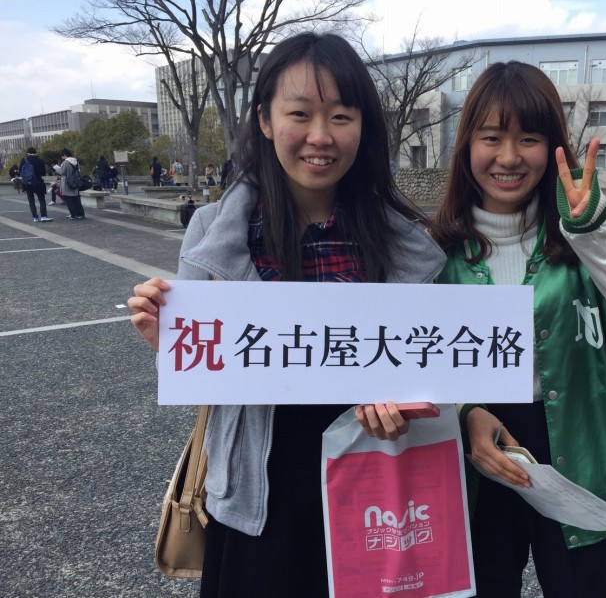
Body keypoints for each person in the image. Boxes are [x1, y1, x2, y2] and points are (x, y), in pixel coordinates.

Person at [126, 32, 445, 597]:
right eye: (300, 113)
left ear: (363, 127)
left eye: (341, 116)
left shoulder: (402, 243)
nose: (320, 136)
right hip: (257, 494)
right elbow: (201, 376)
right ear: (266, 120)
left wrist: (406, 402)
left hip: (372, 488)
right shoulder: (214, 232)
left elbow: (428, 369)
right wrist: (168, 342)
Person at [431, 61, 606, 598]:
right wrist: (463, 413)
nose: (508, 157)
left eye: (528, 139)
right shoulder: (434, 252)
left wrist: (599, 229)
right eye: (491, 138)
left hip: (580, 450)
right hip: (474, 453)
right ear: (466, 147)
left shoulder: (588, 239)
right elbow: (415, 363)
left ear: (553, 146)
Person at [19, 147, 53, 222]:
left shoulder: (24, 160)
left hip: (28, 183)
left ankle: (35, 217)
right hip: (38, 182)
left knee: (31, 201)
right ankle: (43, 216)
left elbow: (20, 171)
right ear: (35, 152)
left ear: (28, 152)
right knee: (41, 199)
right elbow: (43, 173)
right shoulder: (40, 160)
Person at [53, 148, 86, 220]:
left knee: (69, 200)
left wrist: (57, 168)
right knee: (77, 200)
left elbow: (62, 172)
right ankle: (81, 214)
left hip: (67, 183)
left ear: (64, 155)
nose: (62, 157)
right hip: (75, 182)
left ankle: (73, 215)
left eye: (62, 156)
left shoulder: (66, 162)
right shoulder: (76, 161)